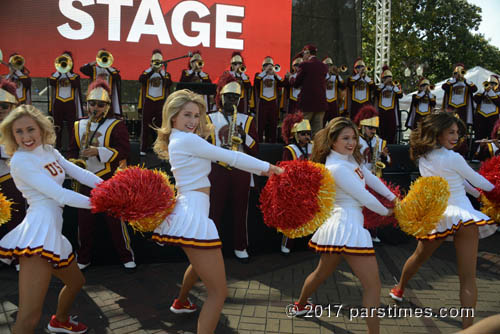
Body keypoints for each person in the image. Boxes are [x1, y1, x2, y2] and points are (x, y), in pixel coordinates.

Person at [151, 89, 282, 334]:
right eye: (186, 115)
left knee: (196, 261)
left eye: (196, 115)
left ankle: (181, 302)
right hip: (193, 215)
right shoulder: (188, 140)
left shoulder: (179, 138)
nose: (193, 120)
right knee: (218, 293)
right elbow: (229, 156)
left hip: (190, 210)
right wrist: (267, 167)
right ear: (173, 117)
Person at [0, 104, 103, 334]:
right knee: (28, 317)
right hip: (38, 236)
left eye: (30, 129)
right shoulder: (20, 161)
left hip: (53, 230)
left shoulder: (48, 150)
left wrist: (109, 188)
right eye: (19, 132)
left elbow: (79, 173)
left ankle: (60, 321)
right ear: (11, 134)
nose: (26, 137)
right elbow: (59, 194)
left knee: (76, 282)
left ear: (41, 128)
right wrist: (103, 202)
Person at [389, 112, 497, 329]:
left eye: (457, 132)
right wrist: (495, 189)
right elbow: (480, 182)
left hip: (438, 217)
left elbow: (461, 183)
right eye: (451, 132)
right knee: (468, 277)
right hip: (464, 218)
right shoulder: (454, 158)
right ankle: (468, 329)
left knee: (419, 257)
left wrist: (479, 194)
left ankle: (399, 288)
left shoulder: (424, 157)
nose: (456, 136)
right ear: (437, 133)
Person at [293, 117, 396, 334]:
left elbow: (370, 179)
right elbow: (364, 196)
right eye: (345, 138)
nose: (351, 143)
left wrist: (393, 198)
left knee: (321, 273)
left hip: (340, 226)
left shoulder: (349, 160)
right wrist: (387, 212)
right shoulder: (337, 167)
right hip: (347, 226)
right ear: (332, 142)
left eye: (353, 138)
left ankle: (300, 305)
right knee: (373, 286)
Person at [68, 79, 136, 271]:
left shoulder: (116, 124)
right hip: (84, 177)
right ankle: (84, 256)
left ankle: (126, 255)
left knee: (115, 220)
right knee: (84, 221)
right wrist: (74, 164)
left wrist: (99, 152)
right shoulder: (77, 125)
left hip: (108, 177)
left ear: (107, 106)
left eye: (100, 104)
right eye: (92, 103)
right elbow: (72, 151)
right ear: (86, 104)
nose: (95, 107)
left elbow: (124, 150)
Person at [206, 73, 260, 263]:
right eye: (229, 97)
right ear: (221, 97)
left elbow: (255, 148)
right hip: (218, 168)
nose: (232, 101)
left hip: (241, 169)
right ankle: (210, 246)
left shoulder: (247, 120)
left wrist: (244, 136)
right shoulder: (210, 118)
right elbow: (203, 144)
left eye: (236, 97)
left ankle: (240, 245)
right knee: (214, 209)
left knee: (241, 210)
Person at [0, 79, 27, 265]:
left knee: (16, 218)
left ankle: (18, 258)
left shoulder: (20, 127)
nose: (0, 109)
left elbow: (19, 151)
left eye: (4, 106)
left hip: (11, 177)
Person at [280, 112, 312, 254]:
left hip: (310, 187)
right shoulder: (289, 149)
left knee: (310, 217)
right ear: (295, 135)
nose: (307, 137)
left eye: (308, 133)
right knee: (292, 219)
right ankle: (287, 245)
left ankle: (307, 244)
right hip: (294, 188)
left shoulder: (313, 147)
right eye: (303, 133)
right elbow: (285, 169)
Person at [286, 44, 328, 135]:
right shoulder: (323, 66)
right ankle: (316, 149)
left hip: (307, 104)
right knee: (318, 131)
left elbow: (296, 83)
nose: (303, 57)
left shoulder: (304, 65)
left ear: (308, 53)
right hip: (321, 103)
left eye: (304, 54)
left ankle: (303, 149)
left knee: (303, 130)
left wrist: (290, 78)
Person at [138, 49, 173, 156]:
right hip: (149, 101)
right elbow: (141, 79)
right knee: (145, 126)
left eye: (159, 61)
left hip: (160, 102)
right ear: (151, 61)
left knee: (161, 127)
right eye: (155, 61)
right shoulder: (147, 72)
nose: (157, 63)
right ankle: (143, 148)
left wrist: (160, 72)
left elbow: (168, 84)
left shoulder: (165, 73)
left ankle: (161, 148)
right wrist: (153, 70)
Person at [49, 51, 83, 150]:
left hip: (70, 102)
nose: (65, 62)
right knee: (57, 126)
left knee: (71, 127)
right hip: (58, 102)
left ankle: (72, 148)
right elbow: (52, 82)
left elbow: (75, 84)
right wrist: (59, 71)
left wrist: (67, 71)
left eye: (68, 60)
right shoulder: (55, 74)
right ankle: (57, 147)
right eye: (64, 60)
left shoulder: (75, 76)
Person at [80, 48, 122, 116]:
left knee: (108, 115)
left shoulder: (111, 70)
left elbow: (118, 78)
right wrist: (94, 62)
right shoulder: (93, 69)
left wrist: (108, 68)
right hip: (94, 96)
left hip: (107, 96)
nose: (103, 58)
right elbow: (82, 69)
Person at [253, 56, 284, 142]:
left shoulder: (275, 77)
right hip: (262, 103)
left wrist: (274, 74)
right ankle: (258, 143)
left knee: (273, 125)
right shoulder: (259, 75)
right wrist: (265, 72)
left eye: (270, 65)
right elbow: (256, 82)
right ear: (262, 67)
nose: (269, 67)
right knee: (260, 125)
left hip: (273, 103)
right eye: (266, 65)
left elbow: (283, 83)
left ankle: (272, 143)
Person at [355, 105, 391, 177]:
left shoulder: (380, 141)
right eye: (371, 128)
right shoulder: (355, 140)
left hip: (375, 177)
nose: (374, 131)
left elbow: (389, 162)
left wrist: (385, 156)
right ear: (362, 126)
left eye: (375, 128)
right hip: (359, 176)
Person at [373, 65, 402, 144]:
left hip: (391, 112)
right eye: (386, 78)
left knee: (391, 132)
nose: (388, 79)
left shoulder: (394, 88)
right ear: (383, 79)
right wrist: (384, 84)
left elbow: (400, 95)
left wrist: (393, 87)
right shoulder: (379, 88)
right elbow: (375, 93)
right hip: (382, 112)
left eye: (389, 77)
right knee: (382, 132)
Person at [472, 75, 500, 140]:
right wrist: (484, 91)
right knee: (479, 138)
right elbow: (475, 99)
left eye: (493, 84)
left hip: (493, 119)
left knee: (492, 138)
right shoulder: (483, 92)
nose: (490, 85)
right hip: (481, 118)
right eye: (489, 83)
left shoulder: (498, 94)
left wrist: (490, 92)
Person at [322, 57, 345, 126]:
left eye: (330, 65)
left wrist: (337, 75)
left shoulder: (335, 75)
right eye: (327, 65)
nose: (329, 67)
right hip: (323, 101)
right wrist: (328, 75)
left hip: (333, 102)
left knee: (334, 123)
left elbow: (343, 86)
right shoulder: (321, 75)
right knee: (322, 122)